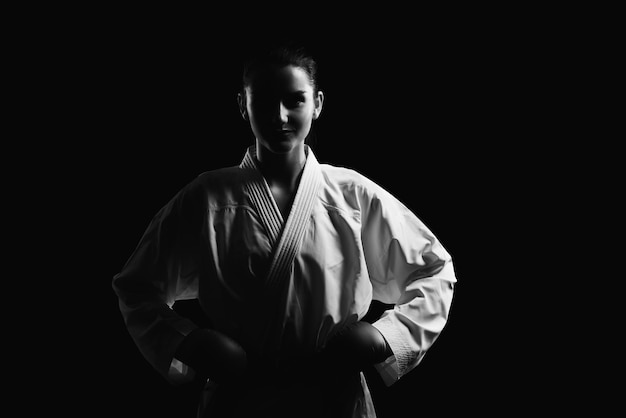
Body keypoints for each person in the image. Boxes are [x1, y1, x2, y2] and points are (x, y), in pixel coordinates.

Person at [112, 40, 457, 418]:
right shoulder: (207, 197)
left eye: (295, 100)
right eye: (264, 101)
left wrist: (382, 336)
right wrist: (193, 342)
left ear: (318, 104)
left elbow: (435, 271)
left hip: (333, 400)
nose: (280, 116)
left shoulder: (351, 194)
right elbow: (136, 287)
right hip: (241, 399)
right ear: (243, 106)